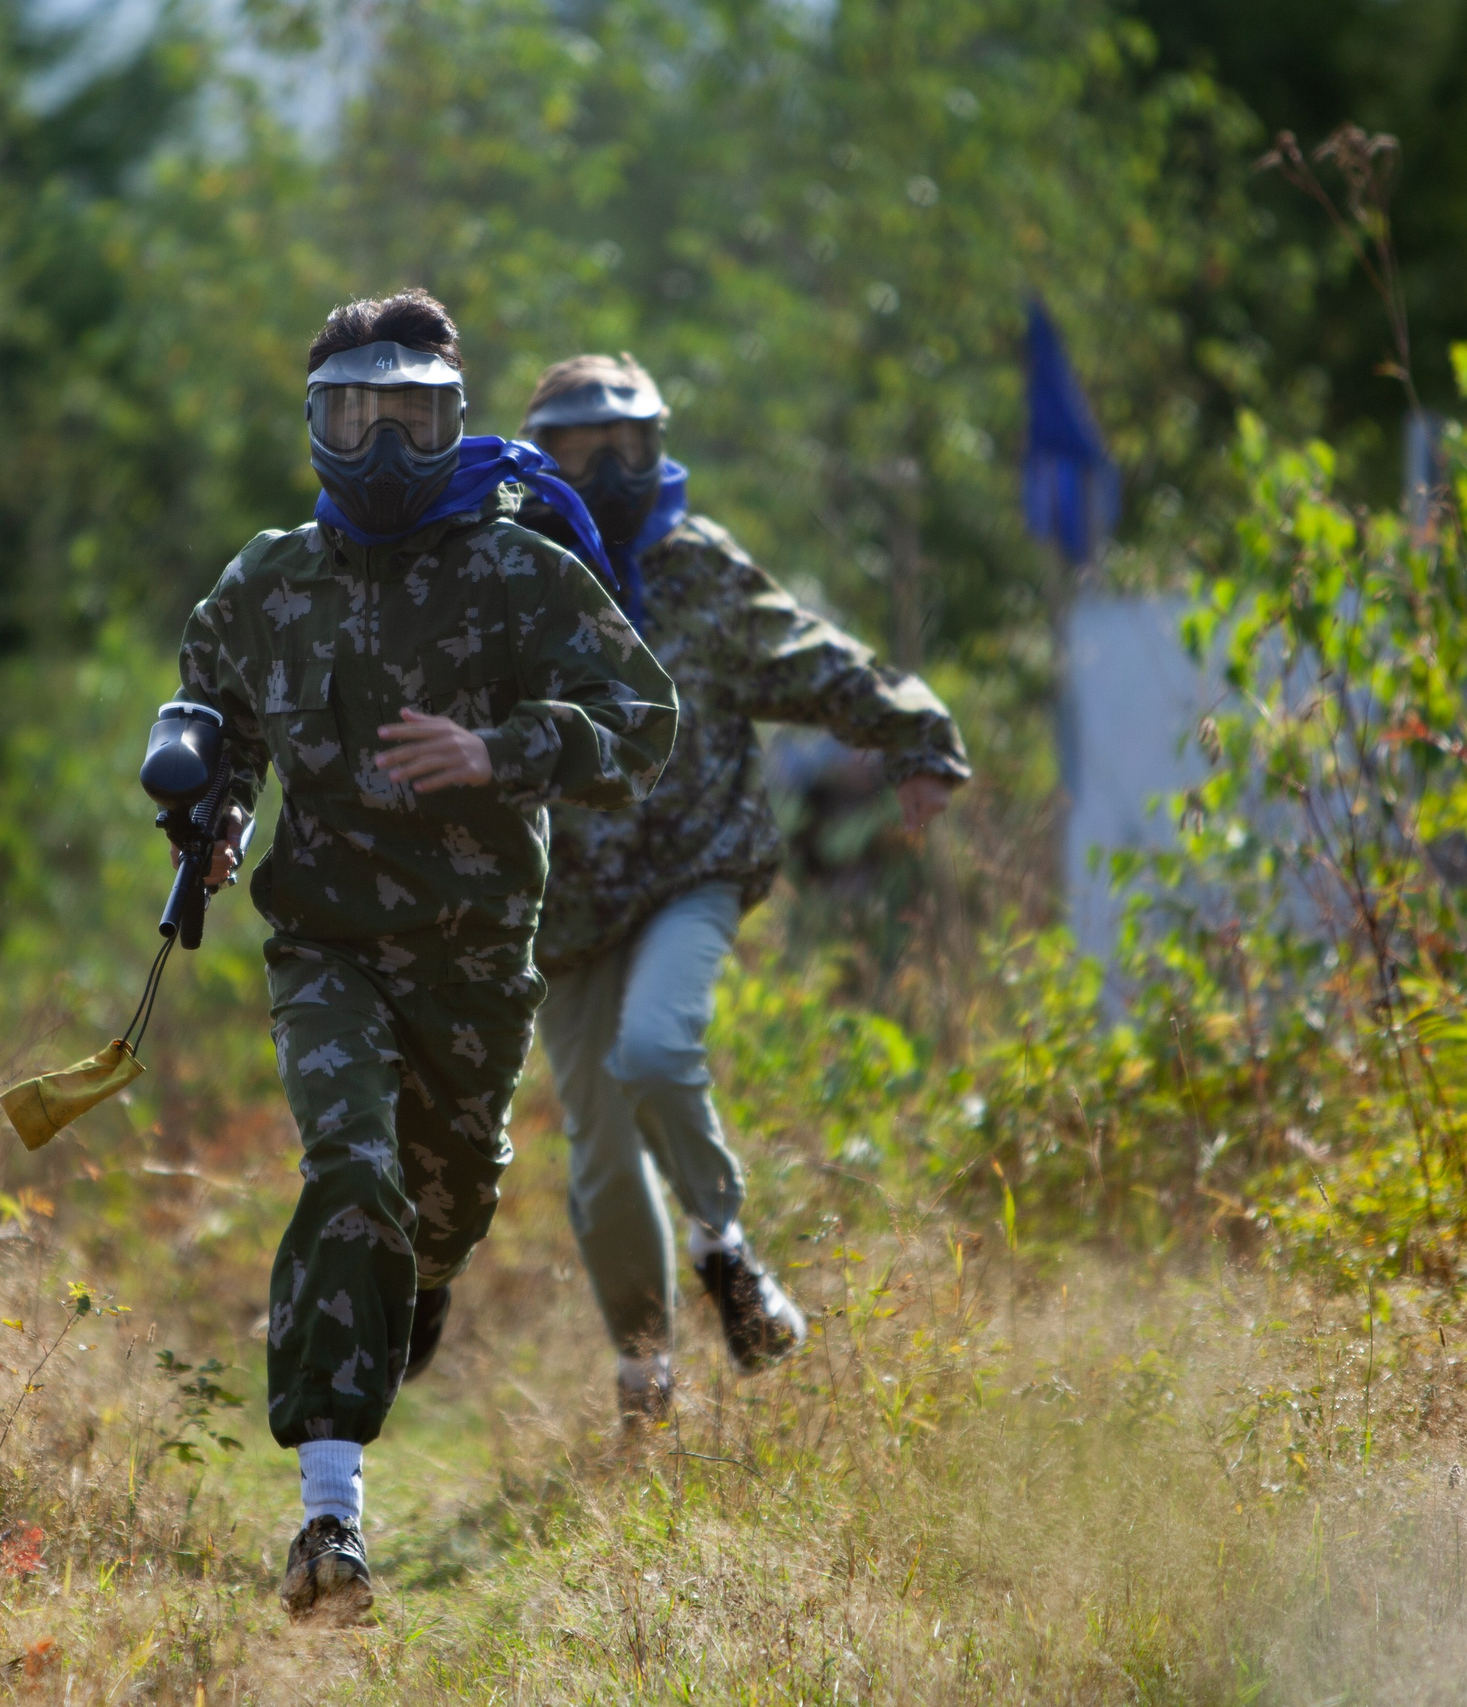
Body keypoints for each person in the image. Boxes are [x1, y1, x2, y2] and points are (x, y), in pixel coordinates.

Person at [173, 296, 677, 1621]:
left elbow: (645, 716)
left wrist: (503, 752)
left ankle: (417, 1280)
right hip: (325, 942)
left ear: (456, 423)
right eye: (357, 414)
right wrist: (212, 811)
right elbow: (212, 706)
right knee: (350, 1167)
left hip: (471, 957)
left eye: (416, 418)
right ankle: (328, 1522)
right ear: (318, 422)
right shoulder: (271, 580)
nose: (387, 447)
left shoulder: (513, 571)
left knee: (439, 1212)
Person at [519, 352, 969, 1423]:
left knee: (658, 1049)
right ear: (542, 461)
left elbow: (806, 659)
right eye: (574, 455)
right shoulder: (513, 572)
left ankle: (726, 1250)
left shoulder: (694, 565)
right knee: (598, 1156)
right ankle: (645, 1376)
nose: (601, 474)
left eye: (618, 449)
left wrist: (917, 735)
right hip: (567, 901)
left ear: (652, 445)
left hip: (694, 865)